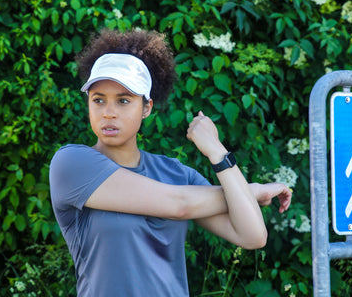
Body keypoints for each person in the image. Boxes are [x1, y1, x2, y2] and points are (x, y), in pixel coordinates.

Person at [49, 28, 292, 296]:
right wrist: (251, 190)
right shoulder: (72, 163)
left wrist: (217, 150)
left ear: (147, 108)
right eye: (98, 100)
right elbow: (179, 205)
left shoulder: (177, 174)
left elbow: (253, 236)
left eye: (123, 101)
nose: (108, 113)